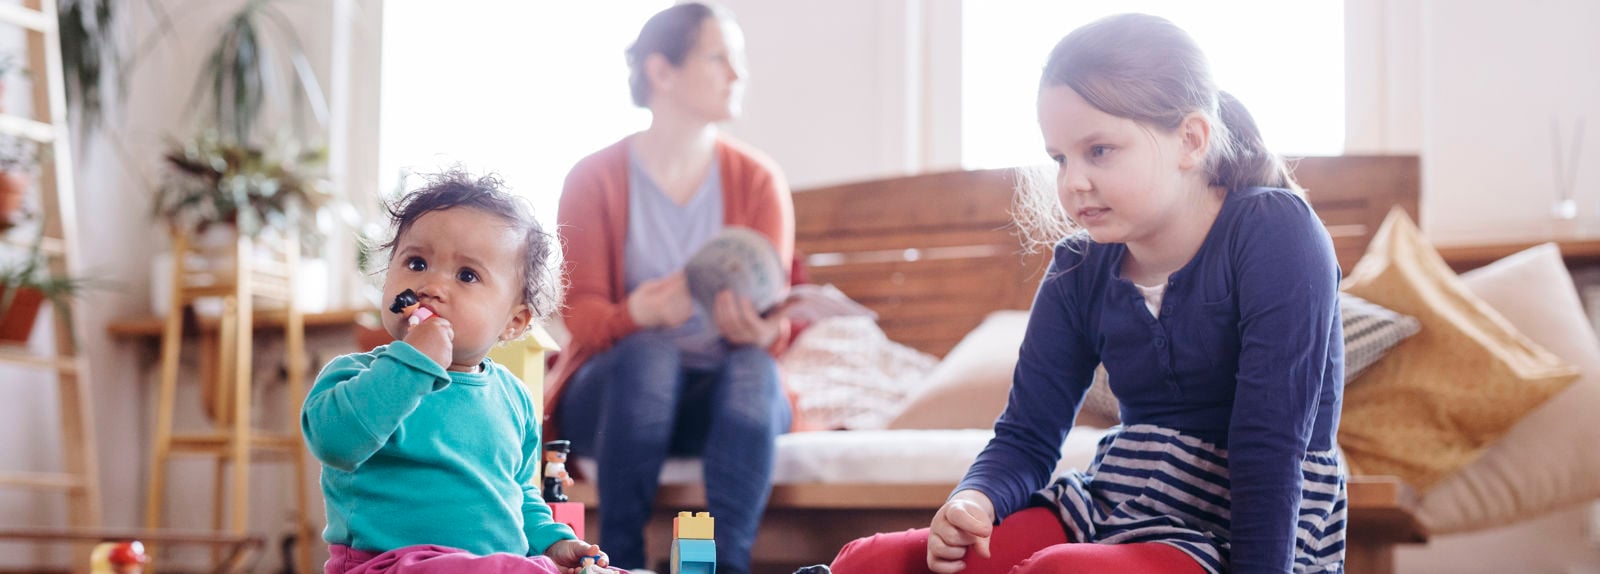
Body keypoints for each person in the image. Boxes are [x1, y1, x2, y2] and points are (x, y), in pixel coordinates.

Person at [830, 13, 1346, 574]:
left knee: (1064, 571)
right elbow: (1027, 435)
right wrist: (973, 498)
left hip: (1241, 533)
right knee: (875, 561)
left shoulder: (1275, 230)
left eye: (1099, 150)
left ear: (1190, 141)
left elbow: (1270, 444)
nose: (1072, 181)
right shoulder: (1078, 266)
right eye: (1059, 158)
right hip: (1115, 503)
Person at [547, 3, 797, 573]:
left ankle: (726, 566)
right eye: (720, 59)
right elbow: (578, 315)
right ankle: (621, 559)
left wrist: (763, 331)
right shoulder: (592, 178)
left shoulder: (758, 180)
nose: (738, 75)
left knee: (754, 369)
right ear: (661, 72)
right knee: (652, 352)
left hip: (723, 402)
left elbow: (775, 319)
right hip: (619, 398)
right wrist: (637, 312)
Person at [302, 169, 621, 573]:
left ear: (515, 322)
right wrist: (413, 365)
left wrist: (554, 542)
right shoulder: (356, 376)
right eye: (416, 263)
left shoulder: (514, 398)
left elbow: (521, 494)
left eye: (467, 275)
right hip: (388, 563)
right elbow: (336, 442)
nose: (431, 286)